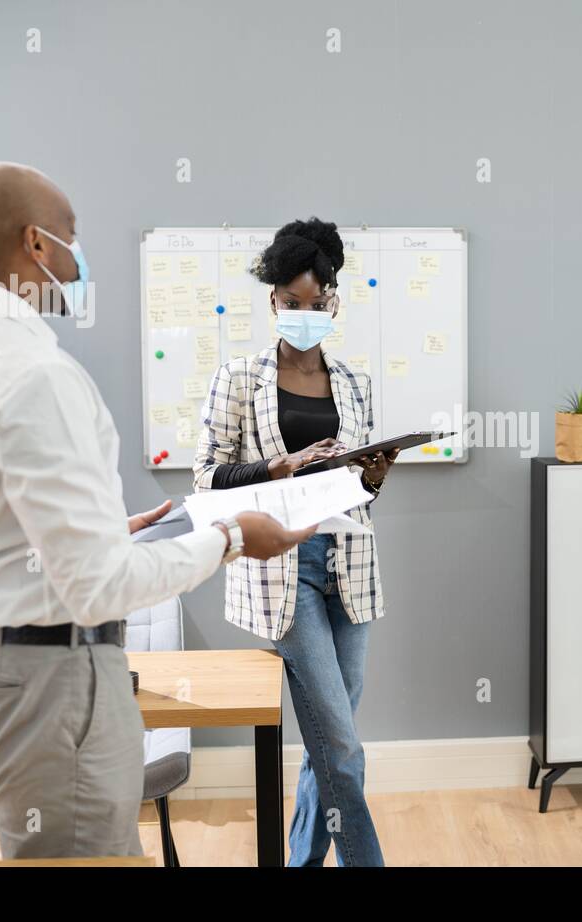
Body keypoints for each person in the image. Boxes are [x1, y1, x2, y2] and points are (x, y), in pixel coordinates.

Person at [0, 162, 313, 860]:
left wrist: (102, 533)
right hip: (50, 683)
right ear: (36, 243)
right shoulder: (33, 373)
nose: (79, 255)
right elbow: (101, 586)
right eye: (71, 234)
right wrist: (232, 537)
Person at [193, 217, 397, 867]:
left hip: (349, 564)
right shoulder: (238, 379)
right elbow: (206, 475)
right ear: (273, 300)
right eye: (291, 302)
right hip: (283, 568)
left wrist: (372, 477)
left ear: (333, 302)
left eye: (317, 302)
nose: (304, 314)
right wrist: (279, 467)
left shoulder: (355, 384)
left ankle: (302, 862)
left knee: (325, 741)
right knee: (341, 747)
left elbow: (358, 493)